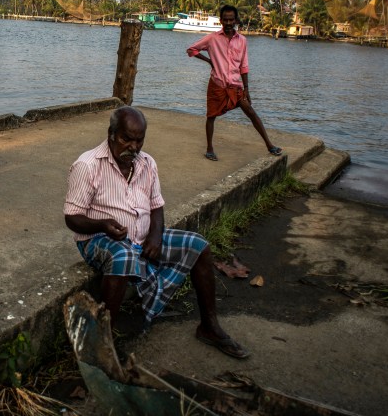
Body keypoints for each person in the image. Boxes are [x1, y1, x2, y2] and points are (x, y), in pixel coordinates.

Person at [64, 106, 250, 359]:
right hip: (98, 238)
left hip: (141, 238)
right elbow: (72, 218)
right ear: (111, 134)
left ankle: (209, 326)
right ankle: (103, 344)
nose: (132, 146)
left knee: (199, 246)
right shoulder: (87, 166)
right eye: (125, 139)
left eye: (138, 140)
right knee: (124, 257)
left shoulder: (147, 163)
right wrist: (102, 224)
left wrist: (155, 235)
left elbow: (157, 206)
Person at [186, 5, 282, 161]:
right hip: (217, 85)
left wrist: (247, 89)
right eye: (225, 19)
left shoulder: (242, 40)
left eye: (231, 19)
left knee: (251, 112)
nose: (229, 22)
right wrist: (209, 61)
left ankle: (270, 145)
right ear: (221, 20)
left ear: (236, 20)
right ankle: (210, 149)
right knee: (211, 116)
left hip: (236, 86)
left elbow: (244, 66)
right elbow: (192, 50)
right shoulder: (212, 39)